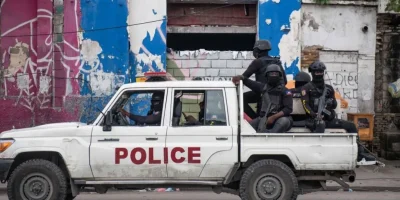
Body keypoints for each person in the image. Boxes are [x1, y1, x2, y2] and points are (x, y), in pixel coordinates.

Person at [300, 61, 376, 162]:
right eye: (316, 71)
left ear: (323, 72)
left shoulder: (329, 88)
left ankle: (359, 153)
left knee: (351, 126)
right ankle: (316, 156)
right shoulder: (306, 88)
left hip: (327, 119)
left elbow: (335, 104)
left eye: (320, 71)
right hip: (312, 120)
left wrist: (330, 103)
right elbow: (305, 104)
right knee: (320, 124)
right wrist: (314, 115)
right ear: (312, 73)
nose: (318, 73)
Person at [235, 40, 287, 120]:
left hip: (262, 91)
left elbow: (244, 77)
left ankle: (255, 118)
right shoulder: (277, 62)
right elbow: (285, 81)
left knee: (239, 99)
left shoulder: (258, 62)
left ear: (257, 51)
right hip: (278, 94)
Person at [233, 64, 293, 133]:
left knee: (283, 122)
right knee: (247, 128)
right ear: (266, 76)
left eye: (275, 73)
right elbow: (251, 83)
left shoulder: (285, 91)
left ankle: (271, 136)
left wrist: (273, 117)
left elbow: (288, 109)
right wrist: (241, 78)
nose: (273, 75)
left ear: (279, 75)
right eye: (271, 73)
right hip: (264, 118)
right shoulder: (263, 88)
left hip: (280, 118)